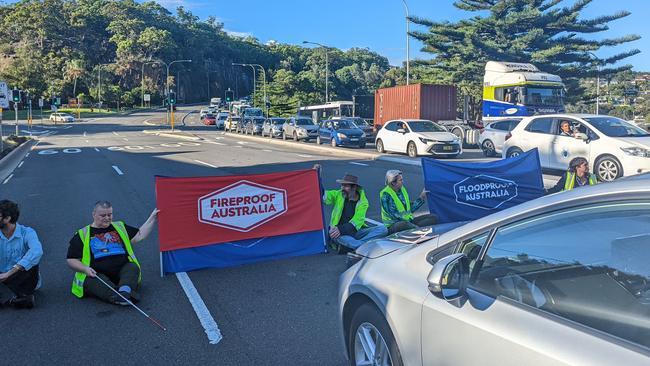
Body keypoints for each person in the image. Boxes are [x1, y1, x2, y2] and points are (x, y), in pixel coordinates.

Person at [67, 201, 158, 306]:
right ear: (94, 214)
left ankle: (124, 291)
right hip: (96, 274)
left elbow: (139, 235)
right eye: (103, 215)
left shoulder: (119, 226)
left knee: (132, 267)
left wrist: (153, 218)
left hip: (122, 271)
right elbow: (71, 259)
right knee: (92, 280)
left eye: (110, 214)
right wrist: (85, 269)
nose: (107, 218)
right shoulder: (82, 234)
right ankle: (117, 296)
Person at [315, 165, 387, 253]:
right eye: (342, 185)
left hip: (355, 232)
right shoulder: (339, 194)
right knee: (338, 237)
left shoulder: (363, 202)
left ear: (354, 187)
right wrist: (318, 177)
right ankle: (362, 246)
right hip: (339, 233)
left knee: (383, 229)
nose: (342, 188)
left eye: (345, 186)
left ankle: (354, 246)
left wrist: (341, 229)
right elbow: (323, 196)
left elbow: (357, 221)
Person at [0, 200, 43, 309]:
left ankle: (13, 297)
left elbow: (37, 251)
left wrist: (9, 273)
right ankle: (17, 300)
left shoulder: (27, 232)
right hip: (2, 275)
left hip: (22, 276)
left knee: (32, 261)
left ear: (7, 218)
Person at [380, 170, 438, 235]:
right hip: (394, 226)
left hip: (408, 221)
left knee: (433, 217)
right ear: (393, 183)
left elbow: (409, 209)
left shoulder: (402, 190)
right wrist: (409, 223)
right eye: (400, 180)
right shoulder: (386, 194)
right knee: (404, 224)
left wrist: (421, 197)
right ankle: (419, 232)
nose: (403, 181)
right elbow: (395, 215)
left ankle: (416, 230)